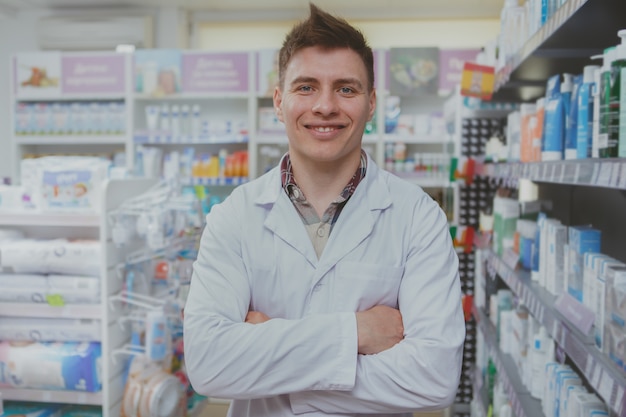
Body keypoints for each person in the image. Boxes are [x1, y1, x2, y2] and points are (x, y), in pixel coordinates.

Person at [183, 3, 465, 416]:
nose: (325, 106)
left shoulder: (418, 217)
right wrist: (357, 332)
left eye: (346, 89)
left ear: (371, 104)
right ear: (279, 102)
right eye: (306, 87)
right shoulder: (234, 216)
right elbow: (209, 365)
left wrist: (272, 366)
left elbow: (434, 377)